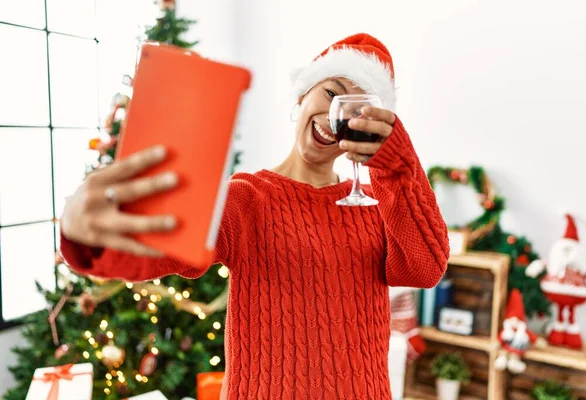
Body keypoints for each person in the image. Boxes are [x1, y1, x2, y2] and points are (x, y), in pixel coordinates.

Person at [60, 33, 450, 399]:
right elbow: (153, 250)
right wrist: (86, 236)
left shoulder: (375, 204)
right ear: (302, 96)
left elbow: (425, 267)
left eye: (358, 109)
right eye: (331, 92)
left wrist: (396, 166)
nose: (337, 115)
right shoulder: (245, 199)